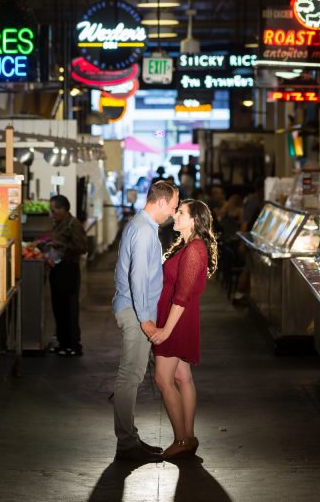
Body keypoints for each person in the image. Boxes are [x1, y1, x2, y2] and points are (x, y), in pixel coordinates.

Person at [111, 180, 179, 462]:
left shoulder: (144, 227)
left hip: (136, 309)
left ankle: (130, 438)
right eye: (173, 207)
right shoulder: (143, 231)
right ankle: (127, 444)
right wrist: (146, 320)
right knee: (130, 377)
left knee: (132, 376)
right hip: (136, 312)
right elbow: (137, 278)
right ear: (160, 202)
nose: (174, 214)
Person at [149, 199, 218, 459]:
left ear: (194, 220)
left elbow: (182, 295)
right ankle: (188, 437)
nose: (175, 215)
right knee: (182, 378)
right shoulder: (189, 246)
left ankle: (180, 439)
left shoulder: (194, 250)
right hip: (178, 318)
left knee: (163, 379)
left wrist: (166, 330)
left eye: (181, 213)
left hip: (175, 320)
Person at [47, 195, 88, 356]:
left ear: (63, 209)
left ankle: (73, 345)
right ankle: (63, 343)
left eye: (54, 210)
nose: (52, 213)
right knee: (59, 307)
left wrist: (61, 245)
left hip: (69, 270)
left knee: (70, 308)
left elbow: (82, 247)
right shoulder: (58, 223)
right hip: (57, 269)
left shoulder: (74, 224)